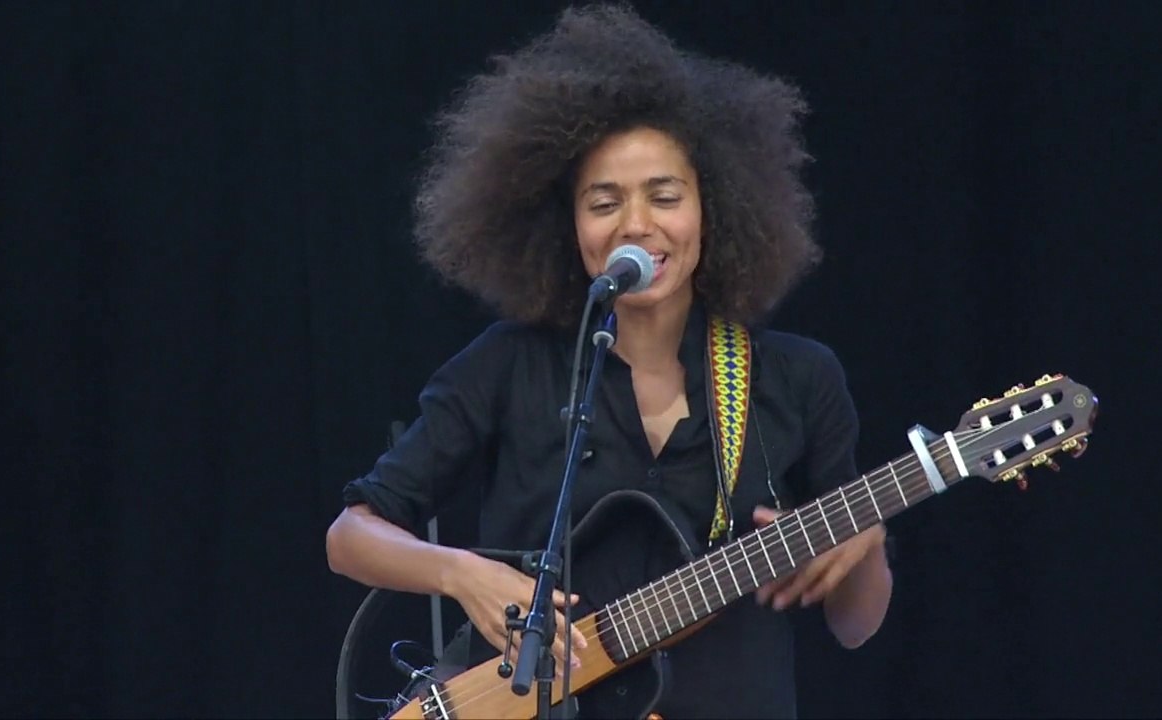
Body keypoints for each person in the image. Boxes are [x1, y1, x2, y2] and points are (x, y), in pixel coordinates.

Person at [326, 4, 891, 718]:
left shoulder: (798, 378)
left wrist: (865, 545)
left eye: (665, 196)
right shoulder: (509, 365)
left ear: (712, 212)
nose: (636, 224)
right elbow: (350, 536)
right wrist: (464, 575)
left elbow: (855, 624)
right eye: (604, 202)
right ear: (568, 224)